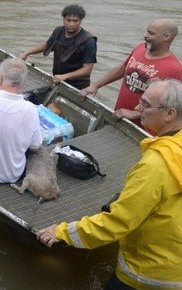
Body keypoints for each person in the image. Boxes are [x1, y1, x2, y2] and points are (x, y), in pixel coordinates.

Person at [37, 78, 182, 290]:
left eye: (145, 104)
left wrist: (63, 232)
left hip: (148, 274)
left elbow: (119, 221)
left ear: (170, 114)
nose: (136, 108)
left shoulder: (156, 166)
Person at [80, 19, 182, 131]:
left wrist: (135, 113)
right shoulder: (140, 48)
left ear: (166, 37)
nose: (145, 35)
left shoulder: (175, 69)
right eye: (147, 31)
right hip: (119, 116)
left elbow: (172, 109)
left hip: (144, 129)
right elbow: (122, 69)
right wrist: (96, 86)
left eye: (151, 33)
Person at [19, 4, 97, 90]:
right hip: (57, 79)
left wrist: (65, 76)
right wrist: (27, 53)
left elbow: (87, 70)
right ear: (63, 19)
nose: (71, 24)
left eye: (75, 21)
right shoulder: (58, 31)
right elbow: (48, 45)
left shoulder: (88, 41)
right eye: (68, 20)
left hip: (77, 85)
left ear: (80, 21)